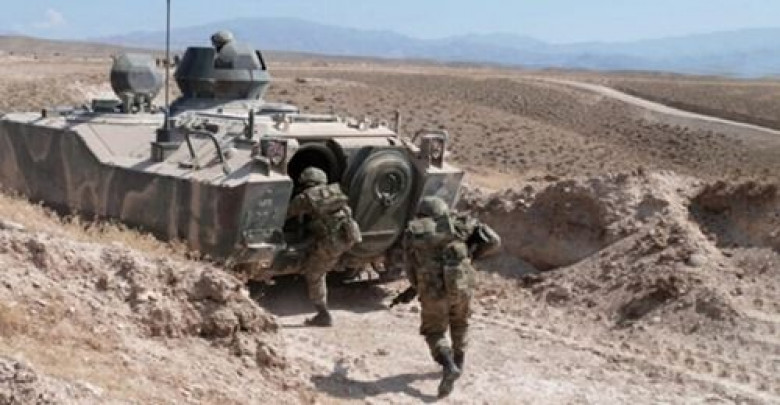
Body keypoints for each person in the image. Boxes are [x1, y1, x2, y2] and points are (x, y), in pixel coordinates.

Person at [393, 196, 501, 398]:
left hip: (432, 290)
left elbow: (410, 267)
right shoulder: (462, 225)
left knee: (434, 332)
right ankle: (459, 362)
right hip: (461, 286)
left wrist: (416, 288)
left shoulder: (414, 232)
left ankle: (449, 366)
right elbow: (494, 241)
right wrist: (471, 256)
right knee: (460, 322)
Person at [286, 167, 361, 327]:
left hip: (331, 242)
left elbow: (286, 213)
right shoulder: (336, 191)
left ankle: (323, 314)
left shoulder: (306, 197)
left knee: (315, 273)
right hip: (347, 236)